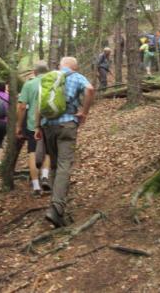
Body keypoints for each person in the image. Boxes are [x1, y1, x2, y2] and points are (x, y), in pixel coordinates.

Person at [35, 57, 95, 228]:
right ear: (74, 67)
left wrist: (38, 126)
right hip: (67, 124)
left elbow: (40, 104)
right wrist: (84, 112)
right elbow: (90, 89)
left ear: (61, 66)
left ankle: (55, 207)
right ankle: (56, 208)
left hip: (48, 126)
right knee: (64, 164)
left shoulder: (49, 78)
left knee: (54, 165)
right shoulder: (76, 76)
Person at [15, 61, 52, 196]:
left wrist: (19, 125)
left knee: (32, 152)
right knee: (48, 152)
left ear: (35, 72)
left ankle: (36, 187)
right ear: (47, 71)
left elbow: (22, 107)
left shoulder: (29, 84)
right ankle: (45, 177)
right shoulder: (52, 81)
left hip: (32, 124)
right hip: (50, 122)